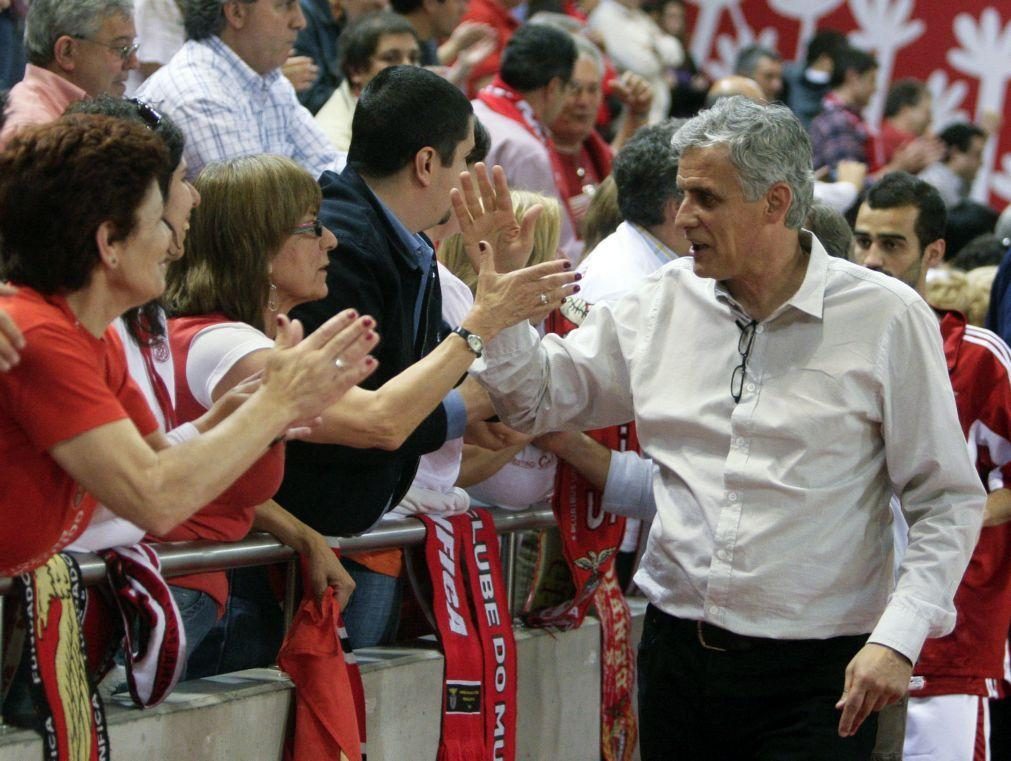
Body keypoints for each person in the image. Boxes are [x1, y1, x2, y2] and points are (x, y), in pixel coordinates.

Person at [466, 96, 985, 758]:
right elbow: (535, 400)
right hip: (677, 654)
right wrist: (505, 305)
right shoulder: (659, 302)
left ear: (773, 203)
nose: (682, 218)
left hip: (819, 674)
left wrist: (897, 637)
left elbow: (944, 498)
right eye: (682, 195)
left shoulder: (886, 317)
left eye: (704, 198)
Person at [0, 114, 378, 579]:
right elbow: (155, 500)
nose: (175, 241)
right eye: (160, 221)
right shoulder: (40, 334)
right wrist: (276, 405)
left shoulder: (93, 336)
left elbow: (158, 457)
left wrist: (228, 417)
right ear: (109, 243)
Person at [280, 65, 578, 645]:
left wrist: (465, 407)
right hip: (320, 540)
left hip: (366, 527)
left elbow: (407, 403)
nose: (468, 175)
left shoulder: (403, 240)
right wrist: (479, 391)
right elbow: (378, 417)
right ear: (425, 164)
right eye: (466, 159)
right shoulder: (345, 243)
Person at [853, 171, 1011, 761]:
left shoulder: (977, 359)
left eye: (892, 244)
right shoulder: (820, 349)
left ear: (934, 252)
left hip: (949, 638)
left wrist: (956, 515)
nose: (872, 259)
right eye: (863, 240)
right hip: (839, 632)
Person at [137, 0, 344, 181]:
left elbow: (329, 168)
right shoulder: (199, 98)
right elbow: (259, 214)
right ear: (236, 13)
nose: (300, 21)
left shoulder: (270, 80)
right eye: (285, 5)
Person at [471, 23, 582, 261]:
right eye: (570, 88)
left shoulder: (469, 111)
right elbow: (550, 249)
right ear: (553, 87)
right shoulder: (525, 150)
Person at [0, 0, 139, 148]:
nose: (134, 63)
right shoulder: (35, 135)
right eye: (121, 48)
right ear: (66, 51)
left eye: (134, 48)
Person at [547, 34, 652, 228]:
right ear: (551, 89)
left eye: (593, 89)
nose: (584, 101)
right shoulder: (533, 154)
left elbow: (621, 164)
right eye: (574, 89)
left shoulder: (591, 148)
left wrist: (637, 113)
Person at [315, 12, 421, 153]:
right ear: (356, 71)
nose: (409, 67)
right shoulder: (334, 141)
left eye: (413, 57)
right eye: (391, 58)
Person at [586, 0, 681, 124]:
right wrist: (660, 58)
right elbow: (643, 65)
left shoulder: (641, 17)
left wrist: (654, 49)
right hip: (626, 113)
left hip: (654, 112)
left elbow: (676, 53)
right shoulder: (604, 16)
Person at [920, 122, 988, 209]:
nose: (981, 162)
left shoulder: (958, 183)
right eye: (977, 155)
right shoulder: (937, 185)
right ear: (955, 153)